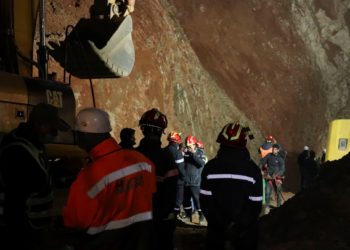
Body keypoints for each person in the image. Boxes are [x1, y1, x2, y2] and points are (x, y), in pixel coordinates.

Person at [63, 108, 156, 250]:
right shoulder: (144, 162)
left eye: (77, 133)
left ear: (86, 134)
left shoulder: (90, 175)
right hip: (140, 241)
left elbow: (75, 221)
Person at [0, 103, 70, 250]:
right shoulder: (18, 151)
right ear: (40, 125)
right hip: (19, 234)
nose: (56, 134)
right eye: (53, 129)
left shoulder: (32, 143)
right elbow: (15, 201)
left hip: (30, 230)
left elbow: (36, 178)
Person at [200, 122, 262, 250]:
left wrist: (221, 225)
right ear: (244, 144)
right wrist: (237, 226)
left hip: (216, 234)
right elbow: (255, 205)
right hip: (245, 235)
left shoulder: (210, 168)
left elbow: (205, 202)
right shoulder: (253, 170)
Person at [136, 108, 178, 250]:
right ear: (161, 132)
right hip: (158, 216)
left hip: (133, 218)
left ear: (142, 129)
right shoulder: (166, 157)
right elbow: (172, 189)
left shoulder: (130, 156)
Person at [183, 135, 206, 223]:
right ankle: (188, 215)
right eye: (187, 145)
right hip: (186, 181)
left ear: (194, 145)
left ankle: (201, 216)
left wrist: (193, 154)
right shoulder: (186, 153)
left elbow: (201, 163)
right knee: (186, 200)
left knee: (197, 200)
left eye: (190, 145)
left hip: (195, 182)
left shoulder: (200, 153)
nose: (188, 147)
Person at [163, 131, 186, 217]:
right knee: (178, 200)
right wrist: (184, 178)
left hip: (165, 180)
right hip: (177, 181)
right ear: (178, 141)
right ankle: (174, 216)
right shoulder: (177, 153)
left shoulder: (164, 150)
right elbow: (181, 169)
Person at [260, 144, 285, 213]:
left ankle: (279, 206)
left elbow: (282, 169)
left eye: (275, 149)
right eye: (273, 149)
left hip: (277, 178)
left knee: (278, 192)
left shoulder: (280, 158)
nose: (273, 150)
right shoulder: (268, 156)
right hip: (269, 177)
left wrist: (277, 175)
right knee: (267, 192)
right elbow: (262, 162)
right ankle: (267, 207)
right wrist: (261, 170)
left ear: (278, 150)